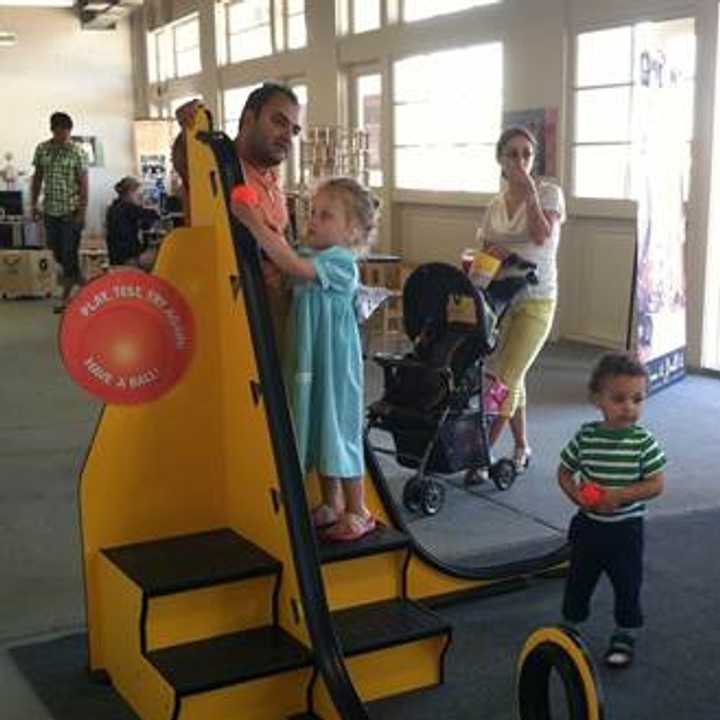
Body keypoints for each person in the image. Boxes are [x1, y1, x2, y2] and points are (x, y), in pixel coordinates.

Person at [232, 177, 378, 542]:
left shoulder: (342, 262)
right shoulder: (308, 255)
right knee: (316, 425)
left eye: (325, 216)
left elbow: (294, 267)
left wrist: (253, 221)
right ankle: (330, 502)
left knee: (340, 428)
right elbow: (288, 291)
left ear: (352, 231)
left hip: (335, 365)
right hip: (308, 360)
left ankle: (357, 508)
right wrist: (272, 280)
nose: (313, 220)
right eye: (312, 213)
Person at [558, 352, 666, 669]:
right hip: (588, 525)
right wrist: (578, 496)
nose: (629, 407)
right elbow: (564, 472)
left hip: (625, 531)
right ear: (597, 399)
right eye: (618, 399)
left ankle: (625, 632)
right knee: (579, 578)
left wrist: (621, 495)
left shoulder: (643, 442)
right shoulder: (585, 436)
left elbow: (656, 484)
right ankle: (571, 624)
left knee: (626, 581)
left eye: (637, 399)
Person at [172, 84, 301, 335]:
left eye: (293, 130)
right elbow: (185, 156)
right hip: (239, 321)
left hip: (279, 314)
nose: (287, 136)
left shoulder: (271, 173)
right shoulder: (218, 166)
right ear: (248, 119)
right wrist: (188, 124)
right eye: (278, 121)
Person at [476, 125, 566, 472]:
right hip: (502, 297)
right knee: (516, 373)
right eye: (512, 154)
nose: (519, 161)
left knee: (504, 378)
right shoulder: (494, 205)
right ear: (500, 159)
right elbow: (485, 249)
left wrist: (530, 194)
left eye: (526, 154)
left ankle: (483, 452)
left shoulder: (548, 193)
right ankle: (522, 446)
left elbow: (542, 237)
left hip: (537, 298)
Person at [31, 111, 89, 313]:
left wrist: (82, 212)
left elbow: (83, 184)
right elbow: (37, 178)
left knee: (69, 252)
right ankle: (82, 282)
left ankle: (66, 299)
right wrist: (33, 204)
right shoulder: (42, 150)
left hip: (71, 211)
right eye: (60, 132)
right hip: (50, 210)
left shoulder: (77, 152)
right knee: (56, 251)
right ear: (53, 130)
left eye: (67, 132)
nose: (64, 137)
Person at [105, 177, 160, 268]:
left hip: (115, 256)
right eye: (137, 193)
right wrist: (142, 204)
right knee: (160, 258)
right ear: (130, 192)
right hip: (128, 257)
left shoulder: (113, 207)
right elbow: (154, 215)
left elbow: (144, 224)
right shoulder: (128, 208)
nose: (140, 195)